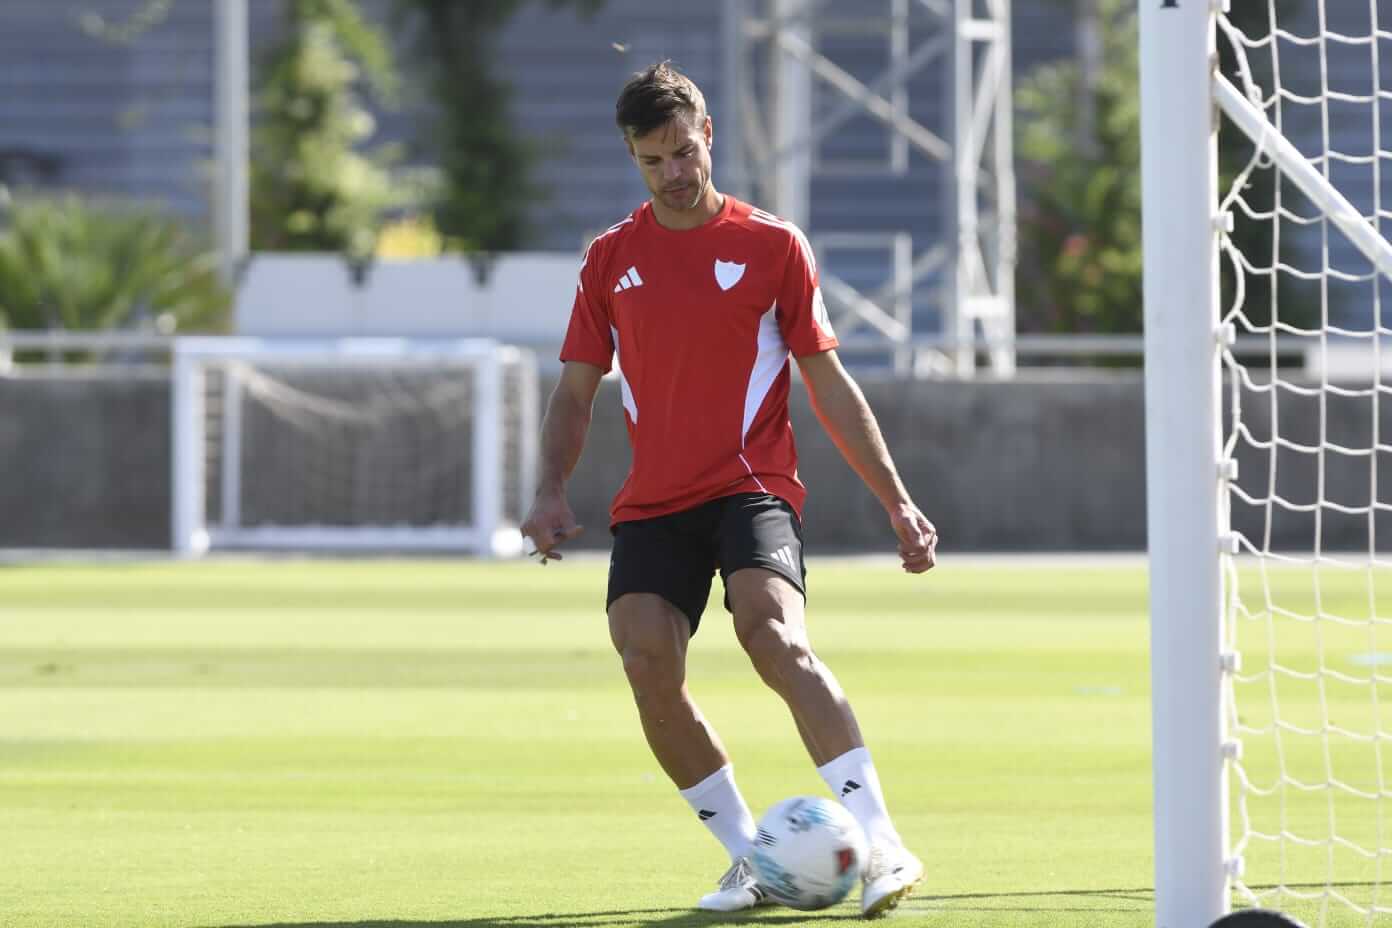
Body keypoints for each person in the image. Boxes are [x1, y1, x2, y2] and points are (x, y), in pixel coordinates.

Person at [520, 60, 937, 918]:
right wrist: (549, 489)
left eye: (683, 151)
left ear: (708, 135)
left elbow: (829, 386)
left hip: (752, 487)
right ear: (633, 158)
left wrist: (897, 500)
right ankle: (752, 860)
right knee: (644, 660)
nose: (673, 172)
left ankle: (883, 843)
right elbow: (574, 392)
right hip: (655, 501)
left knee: (772, 635)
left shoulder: (773, 245)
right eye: (653, 160)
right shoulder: (610, 259)